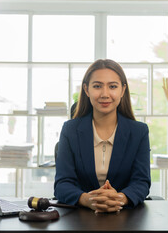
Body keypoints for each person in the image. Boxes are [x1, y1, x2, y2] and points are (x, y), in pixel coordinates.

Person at [54, 59, 151, 213]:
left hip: (126, 218)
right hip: (79, 218)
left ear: (122, 90)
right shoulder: (70, 130)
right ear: (86, 90)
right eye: (97, 86)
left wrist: (120, 198)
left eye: (112, 86)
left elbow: (141, 182)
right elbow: (62, 184)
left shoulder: (139, 132)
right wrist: (87, 199)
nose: (105, 94)